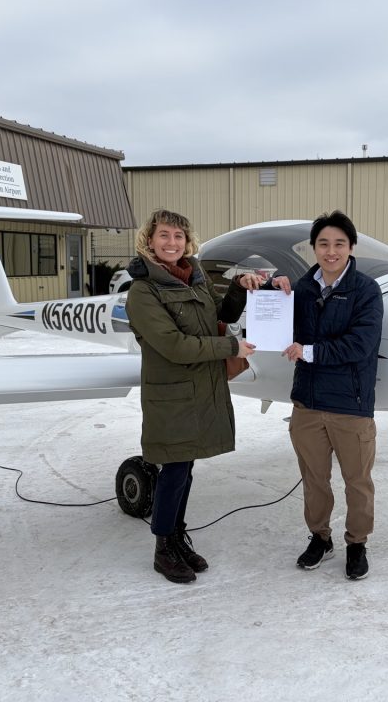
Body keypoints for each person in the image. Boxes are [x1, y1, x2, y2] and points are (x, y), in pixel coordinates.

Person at [124, 209, 265, 584]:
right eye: (164, 235)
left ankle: (176, 536)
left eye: (179, 236)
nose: (172, 243)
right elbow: (175, 345)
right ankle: (163, 548)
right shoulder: (143, 291)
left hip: (200, 389)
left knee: (184, 468)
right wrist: (231, 347)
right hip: (172, 395)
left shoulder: (194, 276)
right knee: (174, 469)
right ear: (149, 240)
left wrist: (239, 287)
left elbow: (220, 314)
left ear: (187, 241)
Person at [275, 210, 384, 580]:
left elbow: (361, 344)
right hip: (307, 403)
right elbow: (277, 325)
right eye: (323, 243)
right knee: (314, 480)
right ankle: (320, 537)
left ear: (351, 247)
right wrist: (270, 290)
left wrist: (309, 351)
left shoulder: (366, 290)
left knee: (358, 482)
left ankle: (357, 543)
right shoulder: (302, 290)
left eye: (339, 243)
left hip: (350, 405)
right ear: (314, 248)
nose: (331, 251)